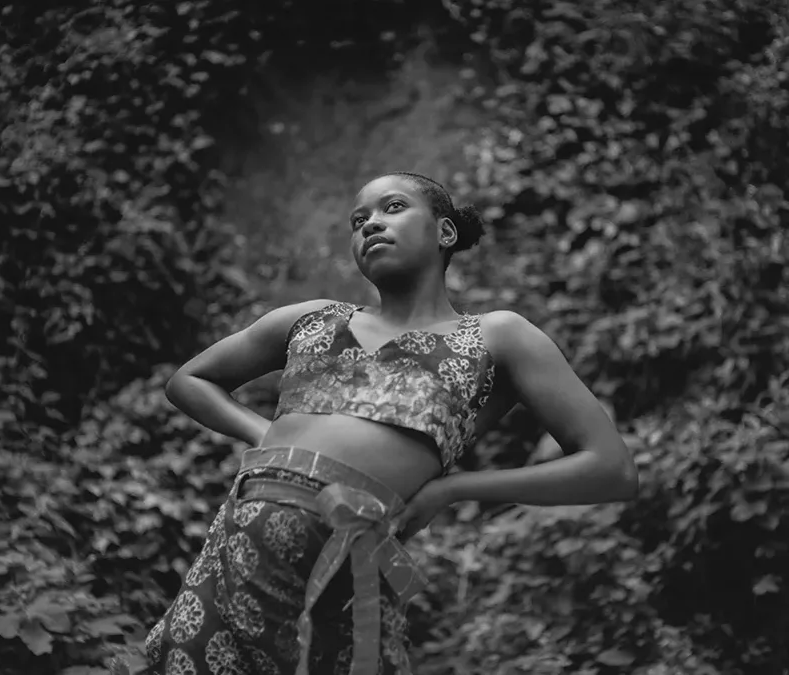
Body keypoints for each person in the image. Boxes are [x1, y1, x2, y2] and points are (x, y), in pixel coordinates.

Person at [143, 172, 639, 675]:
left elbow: (610, 468)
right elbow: (190, 380)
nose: (371, 225)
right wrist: (262, 436)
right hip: (234, 565)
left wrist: (456, 488)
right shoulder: (312, 319)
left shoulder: (497, 337)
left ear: (445, 233)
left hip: (346, 575)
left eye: (393, 207)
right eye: (358, 221)